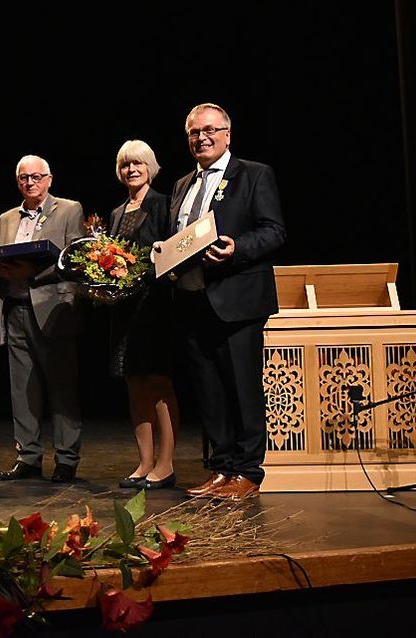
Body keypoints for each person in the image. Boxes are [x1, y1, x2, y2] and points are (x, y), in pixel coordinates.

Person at [166, 103, 286, 500]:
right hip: (191, 300)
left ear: (227, 134)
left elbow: (273, 232)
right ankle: (221, 469)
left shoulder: (253, 174)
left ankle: (248, 471)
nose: (202, 138)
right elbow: (180, 239)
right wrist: (164, 259)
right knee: (210, 391)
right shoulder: (183, 184)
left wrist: (237, 248)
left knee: (242, 388)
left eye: (209, 130)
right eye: (194, 133)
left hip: (238, 301)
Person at [0, 155, 85, 483]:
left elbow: (76, 260)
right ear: (18, 182)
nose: (30, 182)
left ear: (49, 179)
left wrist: (35, 270)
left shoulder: (69, 210)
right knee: (22, 388)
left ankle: (66, 458)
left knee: (61, 386)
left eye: (36, 177)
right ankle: (28, 456)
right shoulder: (6, 218)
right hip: (14, 308)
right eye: (24, 178)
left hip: (52, 308)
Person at [108, 140, 181, 491]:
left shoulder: (164, 204)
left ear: (150, 166)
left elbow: (172, 253)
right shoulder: (117, 212)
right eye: (125, 165)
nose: (131, 170)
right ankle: (145, 462)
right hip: (123, 310)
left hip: (154, 305)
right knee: (133, 384)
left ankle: (166, 464)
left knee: (157, 383)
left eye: (137, 164)